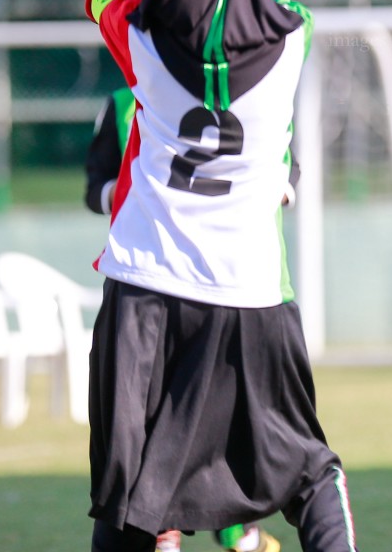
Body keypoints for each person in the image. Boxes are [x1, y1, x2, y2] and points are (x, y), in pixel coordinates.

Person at [42, 0, 357, 552]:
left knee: (127, 496)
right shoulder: (293, 41)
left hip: (145, 293)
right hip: (248, 298)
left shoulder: (143, 42)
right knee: (305, 469)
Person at [84, 85, 285, 552]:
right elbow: (93, 188)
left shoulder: (237, 89)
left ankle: (236, 527)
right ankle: (161, 529)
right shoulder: (118, 103)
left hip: (222, 280)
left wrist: (283, 181)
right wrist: (126, 192)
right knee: (145, 417)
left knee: (222, 406)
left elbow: (280, 154)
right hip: (147, 280)